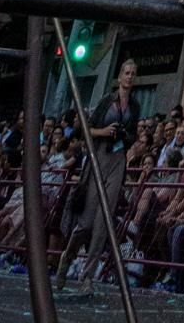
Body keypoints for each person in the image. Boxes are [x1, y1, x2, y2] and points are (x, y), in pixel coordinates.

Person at [56, 55, 141, 284]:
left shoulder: (135, 105)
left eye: (133, 74)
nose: (129, 77)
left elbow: (133, 135)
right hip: (99, 156)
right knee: (87, 221)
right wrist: (104, 132)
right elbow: (87, 128)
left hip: (118, 158)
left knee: (104, 221)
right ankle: (69, 255)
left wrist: (125, 136)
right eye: (127, 73)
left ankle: (87, 276)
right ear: (120, 76)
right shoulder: (106, 100)